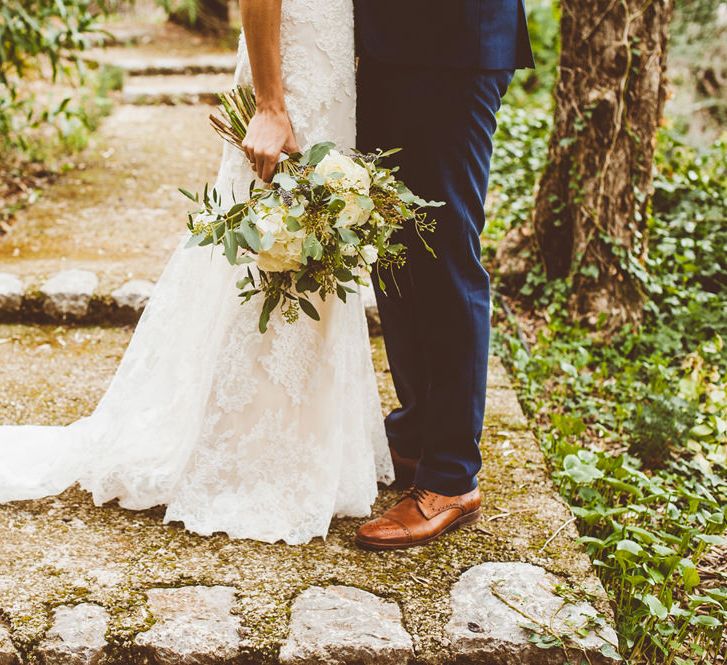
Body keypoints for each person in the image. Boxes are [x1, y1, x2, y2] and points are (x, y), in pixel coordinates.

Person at [0, 0, 394, 545]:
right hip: (290, 69)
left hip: (328, 64)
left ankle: (307, 440)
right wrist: (271, 103)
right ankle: (245, 450)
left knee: (312, 244)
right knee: (266, 240)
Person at [353, 0, 534, 549]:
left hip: (455, 43)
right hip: (387, 43)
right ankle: (415, 433)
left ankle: (451, 477)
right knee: (393, 246)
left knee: (446, 247)